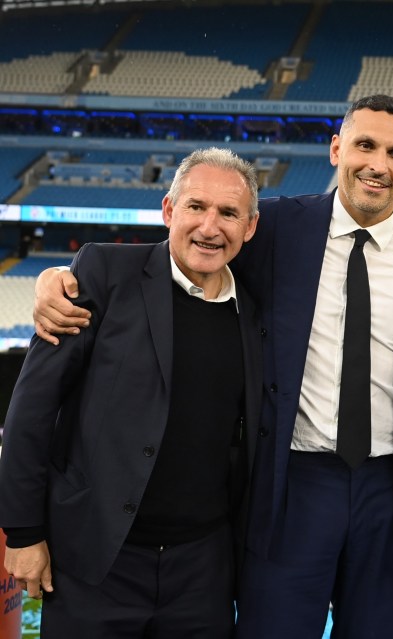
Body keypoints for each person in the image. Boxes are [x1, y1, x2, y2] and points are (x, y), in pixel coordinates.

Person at [32, 95, 393, 639]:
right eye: (365, 145)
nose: (378, 164)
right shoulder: (276, 227)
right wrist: (61, 277)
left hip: (390, 487)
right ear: (337, 150)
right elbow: (182, 252)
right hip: (291, 482)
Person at [0, 147, 263, 638]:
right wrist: (23, 533)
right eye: (195, 207)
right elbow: (32, 409)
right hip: (96, 559)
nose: (210, 226)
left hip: (202, 571)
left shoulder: (254, 310)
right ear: (168, 210)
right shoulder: (105, 273)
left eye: (228, 213)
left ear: (249, 227)